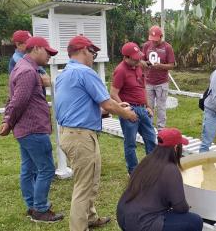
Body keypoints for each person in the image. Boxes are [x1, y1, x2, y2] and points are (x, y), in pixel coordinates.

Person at [55, 35, 138, 231]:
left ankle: (90, 217)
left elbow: (83, 106)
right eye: (93, 52)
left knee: (91, 178)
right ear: (84, 50)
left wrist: (114, 107)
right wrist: (126, 113)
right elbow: (107, 103)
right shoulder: (85, 72)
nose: (94, 56)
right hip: (81, 136)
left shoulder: (64, 74)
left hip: (70, 133)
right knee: (84, 187)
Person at [0, 36, 63, 223]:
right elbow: (18, 101)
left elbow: (13, 99)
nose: (50, 56)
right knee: (46, 169)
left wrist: (8, 120)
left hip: (25, 130)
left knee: (28, 169)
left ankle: (32, 206)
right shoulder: (28, 71)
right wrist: (8, 121)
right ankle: (41, 209)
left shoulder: (22, 67)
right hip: (33, 129)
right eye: (47, 52)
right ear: (35, 49)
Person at [117, 128, 203, 231]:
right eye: (181, 147)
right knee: (195, 221)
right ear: (175, 148)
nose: (182, 150)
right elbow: (180, 208)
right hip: (142, 223)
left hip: (123, 215)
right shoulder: (171, 169)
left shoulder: (148, 160)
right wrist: (188, 206)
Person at [111, 42, 157, 174]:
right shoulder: (120, 70)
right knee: (130, 143)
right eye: (135, 58)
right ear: (126, 58)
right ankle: (133, 171)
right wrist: (125, 109)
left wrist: (148, 106)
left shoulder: (138, 66)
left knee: (150, 137)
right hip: (130, 110)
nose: (138, 60)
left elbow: (142, 88)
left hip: (143, 109)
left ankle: (153, 169)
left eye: (139, 57)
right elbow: (113, 93)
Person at [141, 25, 176, 131]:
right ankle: (149, 127)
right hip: (148, 82)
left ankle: (161, 129)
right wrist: (146, 63)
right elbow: (141, 60)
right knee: (148, 106)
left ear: (161, 36)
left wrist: (160, 66)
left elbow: (172, 65)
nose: (154, 42)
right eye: (152, 40)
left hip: (162, 83)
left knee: (161, 107)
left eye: (156, 40)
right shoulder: (146, 46)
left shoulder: (167, 47)